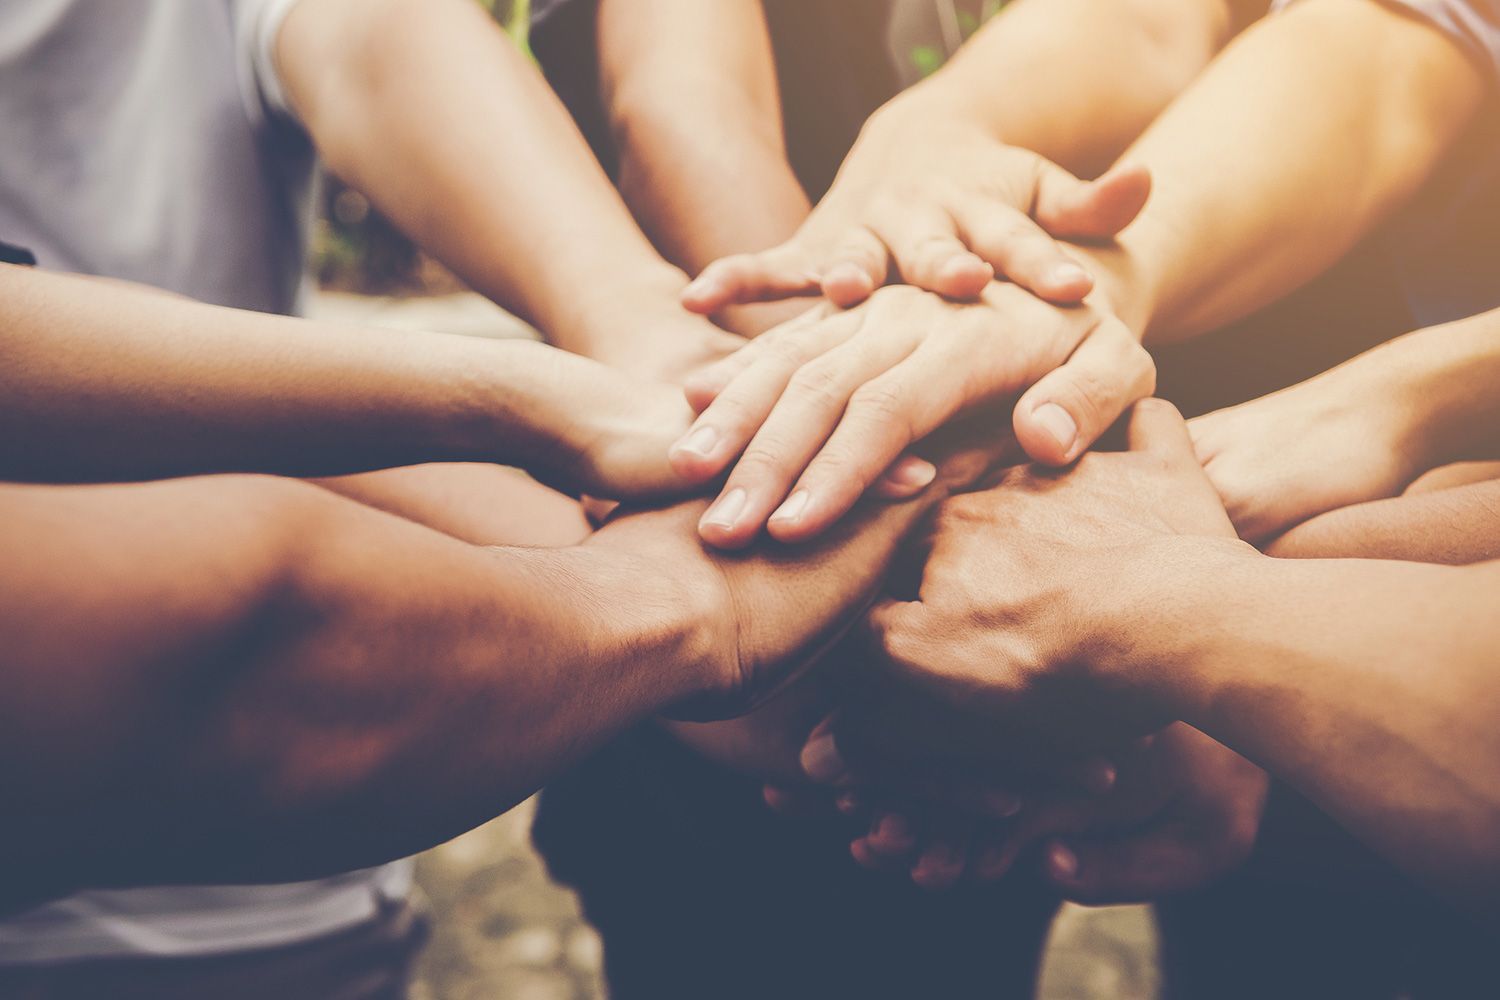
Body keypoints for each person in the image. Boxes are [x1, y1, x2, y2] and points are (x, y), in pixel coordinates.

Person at [0, 0, 733, 991]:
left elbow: (373, 33)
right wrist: (690, 607)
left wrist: (629, 324)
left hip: (273, 868)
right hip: (240, 750)